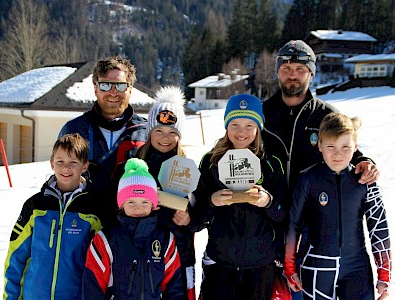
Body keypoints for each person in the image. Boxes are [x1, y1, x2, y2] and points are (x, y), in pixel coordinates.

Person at [261, 40, 380, 299]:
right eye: (287, 68)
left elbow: (347, 147)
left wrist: (365, 160)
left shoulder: (326, 115)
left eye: (300, 69)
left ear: (312, 73)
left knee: (302, 290)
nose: (292, 74)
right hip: (267, 219)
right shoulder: (262, 114)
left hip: (313, 228)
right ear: (278, 71)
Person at [284, 112, 391, 300]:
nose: (338, 154)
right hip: (317, 266)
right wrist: (290, 268)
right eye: (331, 146)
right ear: (320, 146)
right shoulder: (308, 180)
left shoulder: (365, 181)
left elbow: (379, 227)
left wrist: (384, 274)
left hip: (357, 268)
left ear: (355, 147)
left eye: (345, 147)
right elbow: (293, 225)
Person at [190, 94, 287, 299]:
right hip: (220, 262)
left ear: (259, 127)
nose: (241, 132)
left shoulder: (271, 163)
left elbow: (283, 215)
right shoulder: (210, 162)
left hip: (259, 264)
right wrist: (211, 201)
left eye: (249, 125)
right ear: (226, 126)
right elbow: (197, 219)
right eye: (234, 124)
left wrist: (267, 202)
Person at [3, 133, 102, 299]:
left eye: (73, 162)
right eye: (60, 162)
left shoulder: (94, 211)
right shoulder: (35, 206)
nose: (66, 168)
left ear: (84, 166)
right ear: (51, 163)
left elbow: (101, 264)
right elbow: (16, 257)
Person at [58, 56, 147, 228]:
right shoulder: (74, 129)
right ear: (95, 89)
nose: (113, 92)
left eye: (120, 86)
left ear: (130, 90)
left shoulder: (145, 131)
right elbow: (60, 180)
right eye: (105, 85)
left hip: (130, 229)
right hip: (82, 226)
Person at [82, 158, 184, 299]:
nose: (138, 207)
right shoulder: (105, 239)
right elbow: (92, 287)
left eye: (144, 202)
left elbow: (174, 286)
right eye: (131, 202)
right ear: (121, 204)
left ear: (154, 204)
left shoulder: (165, 239)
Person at [136, 85, 196, 300]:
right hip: (142, 252)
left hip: (180, 254)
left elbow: (201, 214)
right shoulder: (135, 167)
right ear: (149, 132)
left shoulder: (187, 167)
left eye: (173, 132)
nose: (165, 138)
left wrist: (189, 218)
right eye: (158, 131)